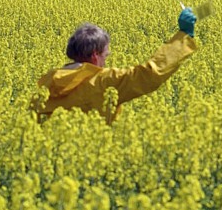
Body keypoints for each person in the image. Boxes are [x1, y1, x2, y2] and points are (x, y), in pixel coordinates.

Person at [33, 8, 199, 124]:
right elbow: (148, 75)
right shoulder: (104, 82)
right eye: (106, 53)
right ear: (95, 55)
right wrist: (183, 36)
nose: (108, 56)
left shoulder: (47, 83)